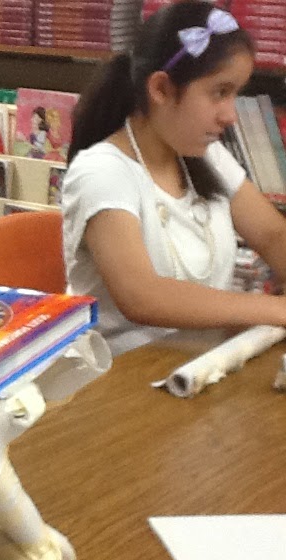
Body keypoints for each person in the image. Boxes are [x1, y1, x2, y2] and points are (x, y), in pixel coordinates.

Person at [63, 1, 286, 356]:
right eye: (219, 92)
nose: (231, 116)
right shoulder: (102, 171)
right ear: (162, 89)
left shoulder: (206, 155)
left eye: (235, 94)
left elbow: (273, 234)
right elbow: (142, 296)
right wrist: (277, 310)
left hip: (197, 364)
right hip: (117, 385)